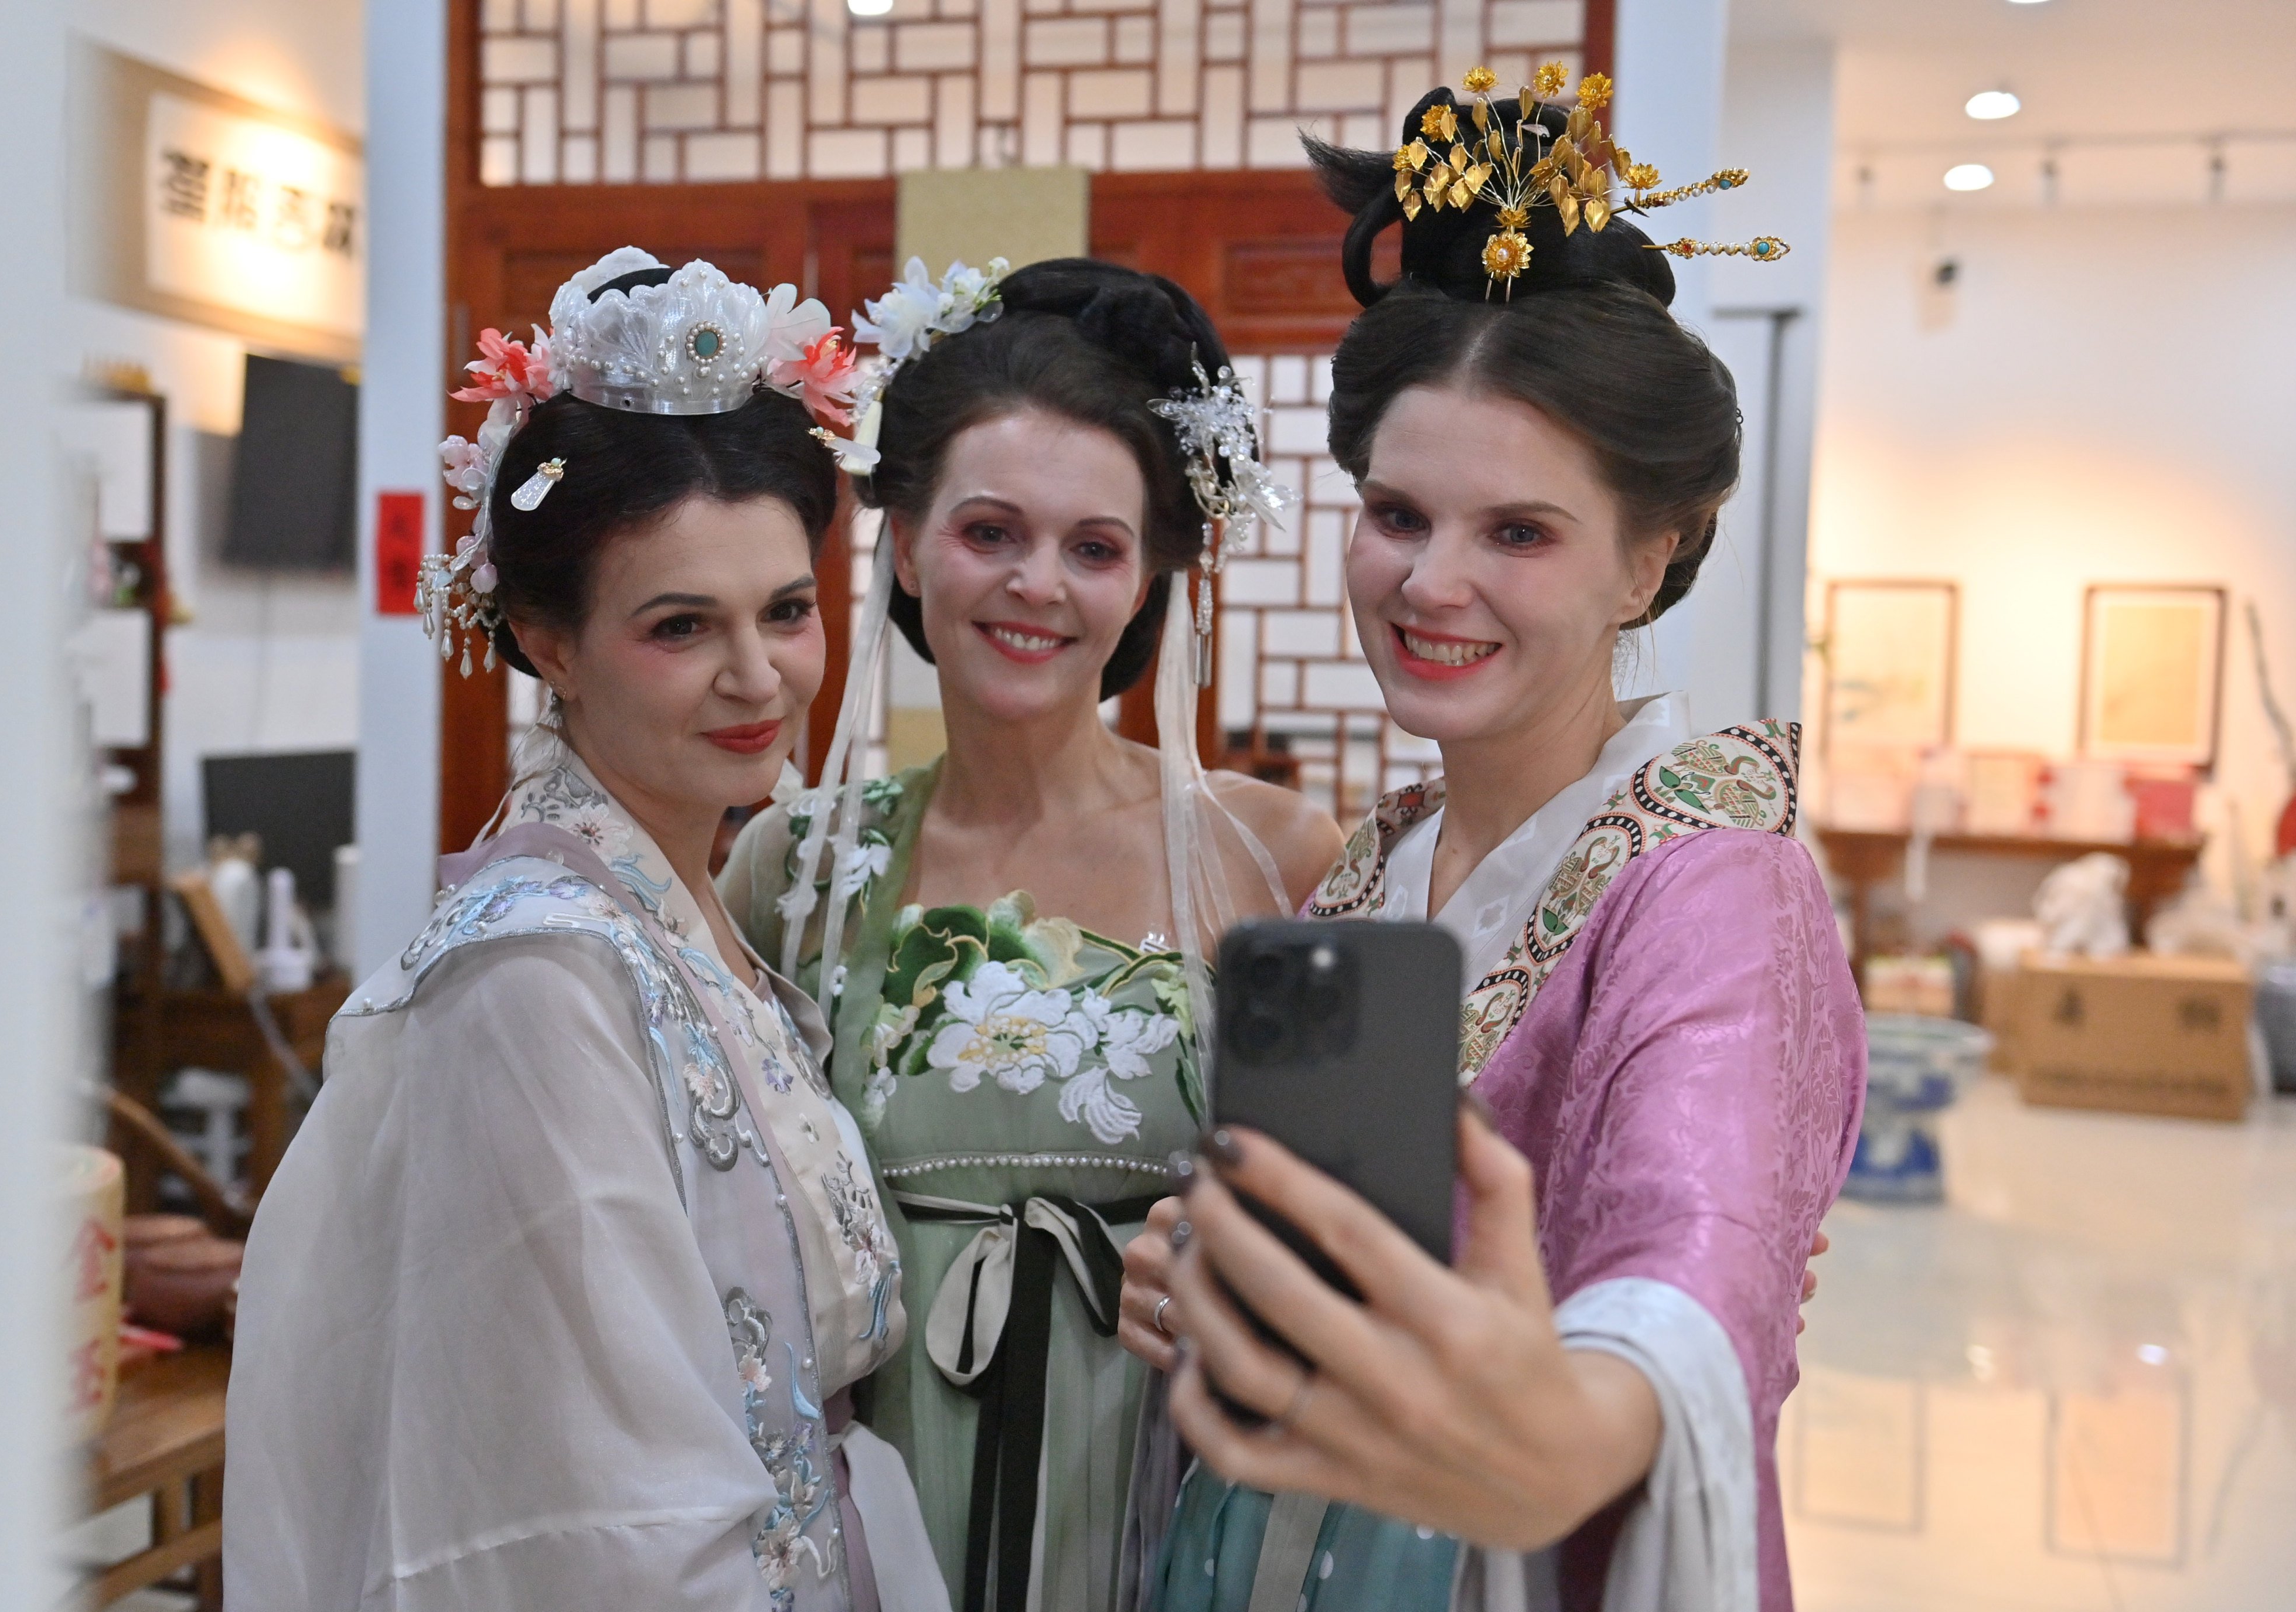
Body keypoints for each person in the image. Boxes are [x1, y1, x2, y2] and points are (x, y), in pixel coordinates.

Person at [1114, 65, 1866, 1612]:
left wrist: (1580, 1418)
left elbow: (1695, 1245)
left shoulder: (1719, 883)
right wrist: (1223, 1280)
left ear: (1649, 557)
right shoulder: (1373, 863)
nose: (1429, 583)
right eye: (1398, 513)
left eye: (1517, 532)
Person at [225, 250, 948, 1612]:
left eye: (786, 611)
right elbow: (597, 1513)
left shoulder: (685, 913)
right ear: (549, 641)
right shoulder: (539, 970)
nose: (758, 676)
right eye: (681, 625)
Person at [725, 257, 1345, 1612]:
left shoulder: (1271, 857)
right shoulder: (797, 867)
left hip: (1161, 1478)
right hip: (873, 1485)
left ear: (1148, 581)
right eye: (989, 531)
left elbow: (1346, 1229)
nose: (1036, 586)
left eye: (1093, 546)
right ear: (902, 541)